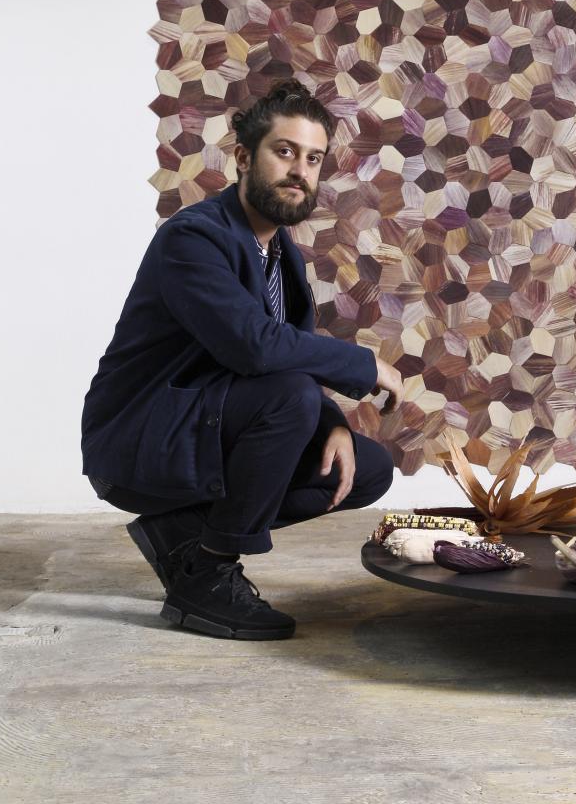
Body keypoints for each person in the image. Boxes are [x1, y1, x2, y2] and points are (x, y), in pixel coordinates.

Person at [81, 81, 403, 642]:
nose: (300, 170)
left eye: (313, 158)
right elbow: (252, 347)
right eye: (284, 152)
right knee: (289, 398)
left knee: (364, 469)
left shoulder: (284, 259)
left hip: (207, 429)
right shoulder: (194, 239)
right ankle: (206, 577)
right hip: (137, 440)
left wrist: (333, 426)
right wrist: (363, 364)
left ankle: (183, 532)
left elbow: (290, 361)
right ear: (243, 158)